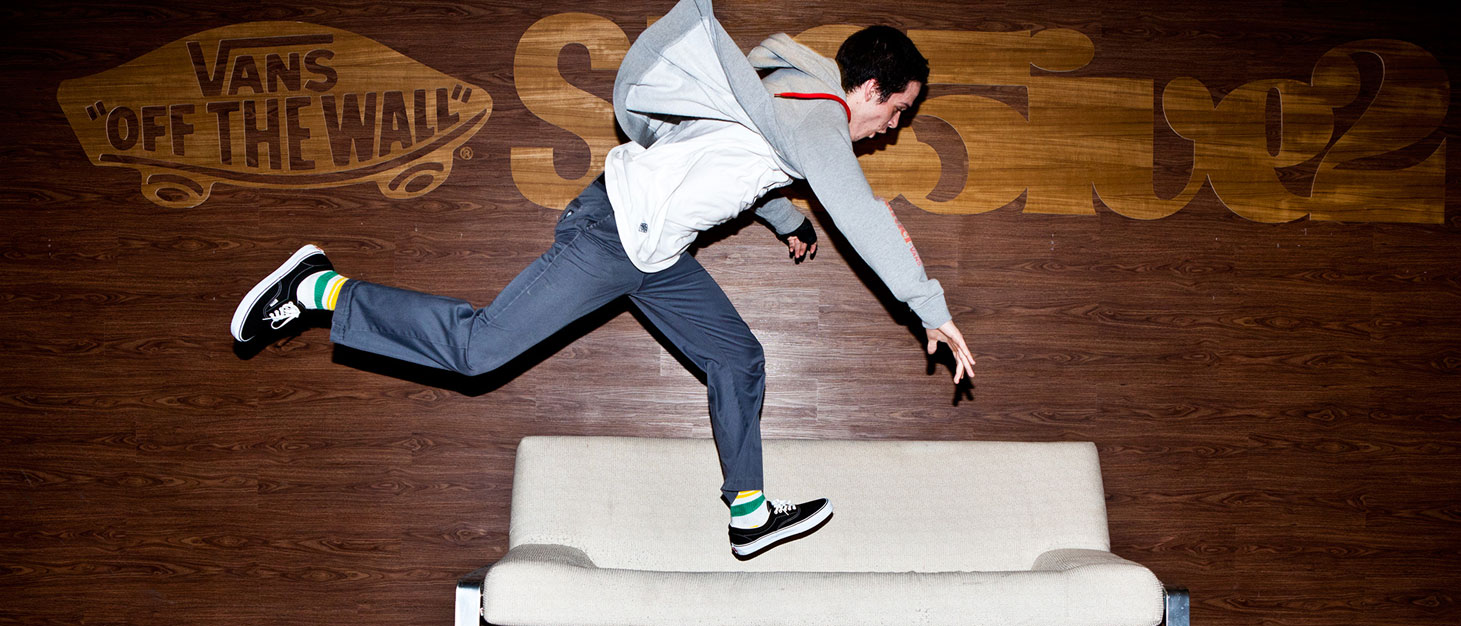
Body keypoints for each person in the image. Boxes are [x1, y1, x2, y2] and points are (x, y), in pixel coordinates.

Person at [231, 0, 975, 559]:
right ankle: (318, 288)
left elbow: (732, 158)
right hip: (615, 230)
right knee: (479, 350)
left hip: (655, 253)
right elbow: (857, 211)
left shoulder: (789, 96)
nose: (892, 128)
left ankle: (748, 515)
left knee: (737, 356)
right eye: (898, 111)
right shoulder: (819, 119)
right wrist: (928, 307)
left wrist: (785, 218)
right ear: (869, 89)